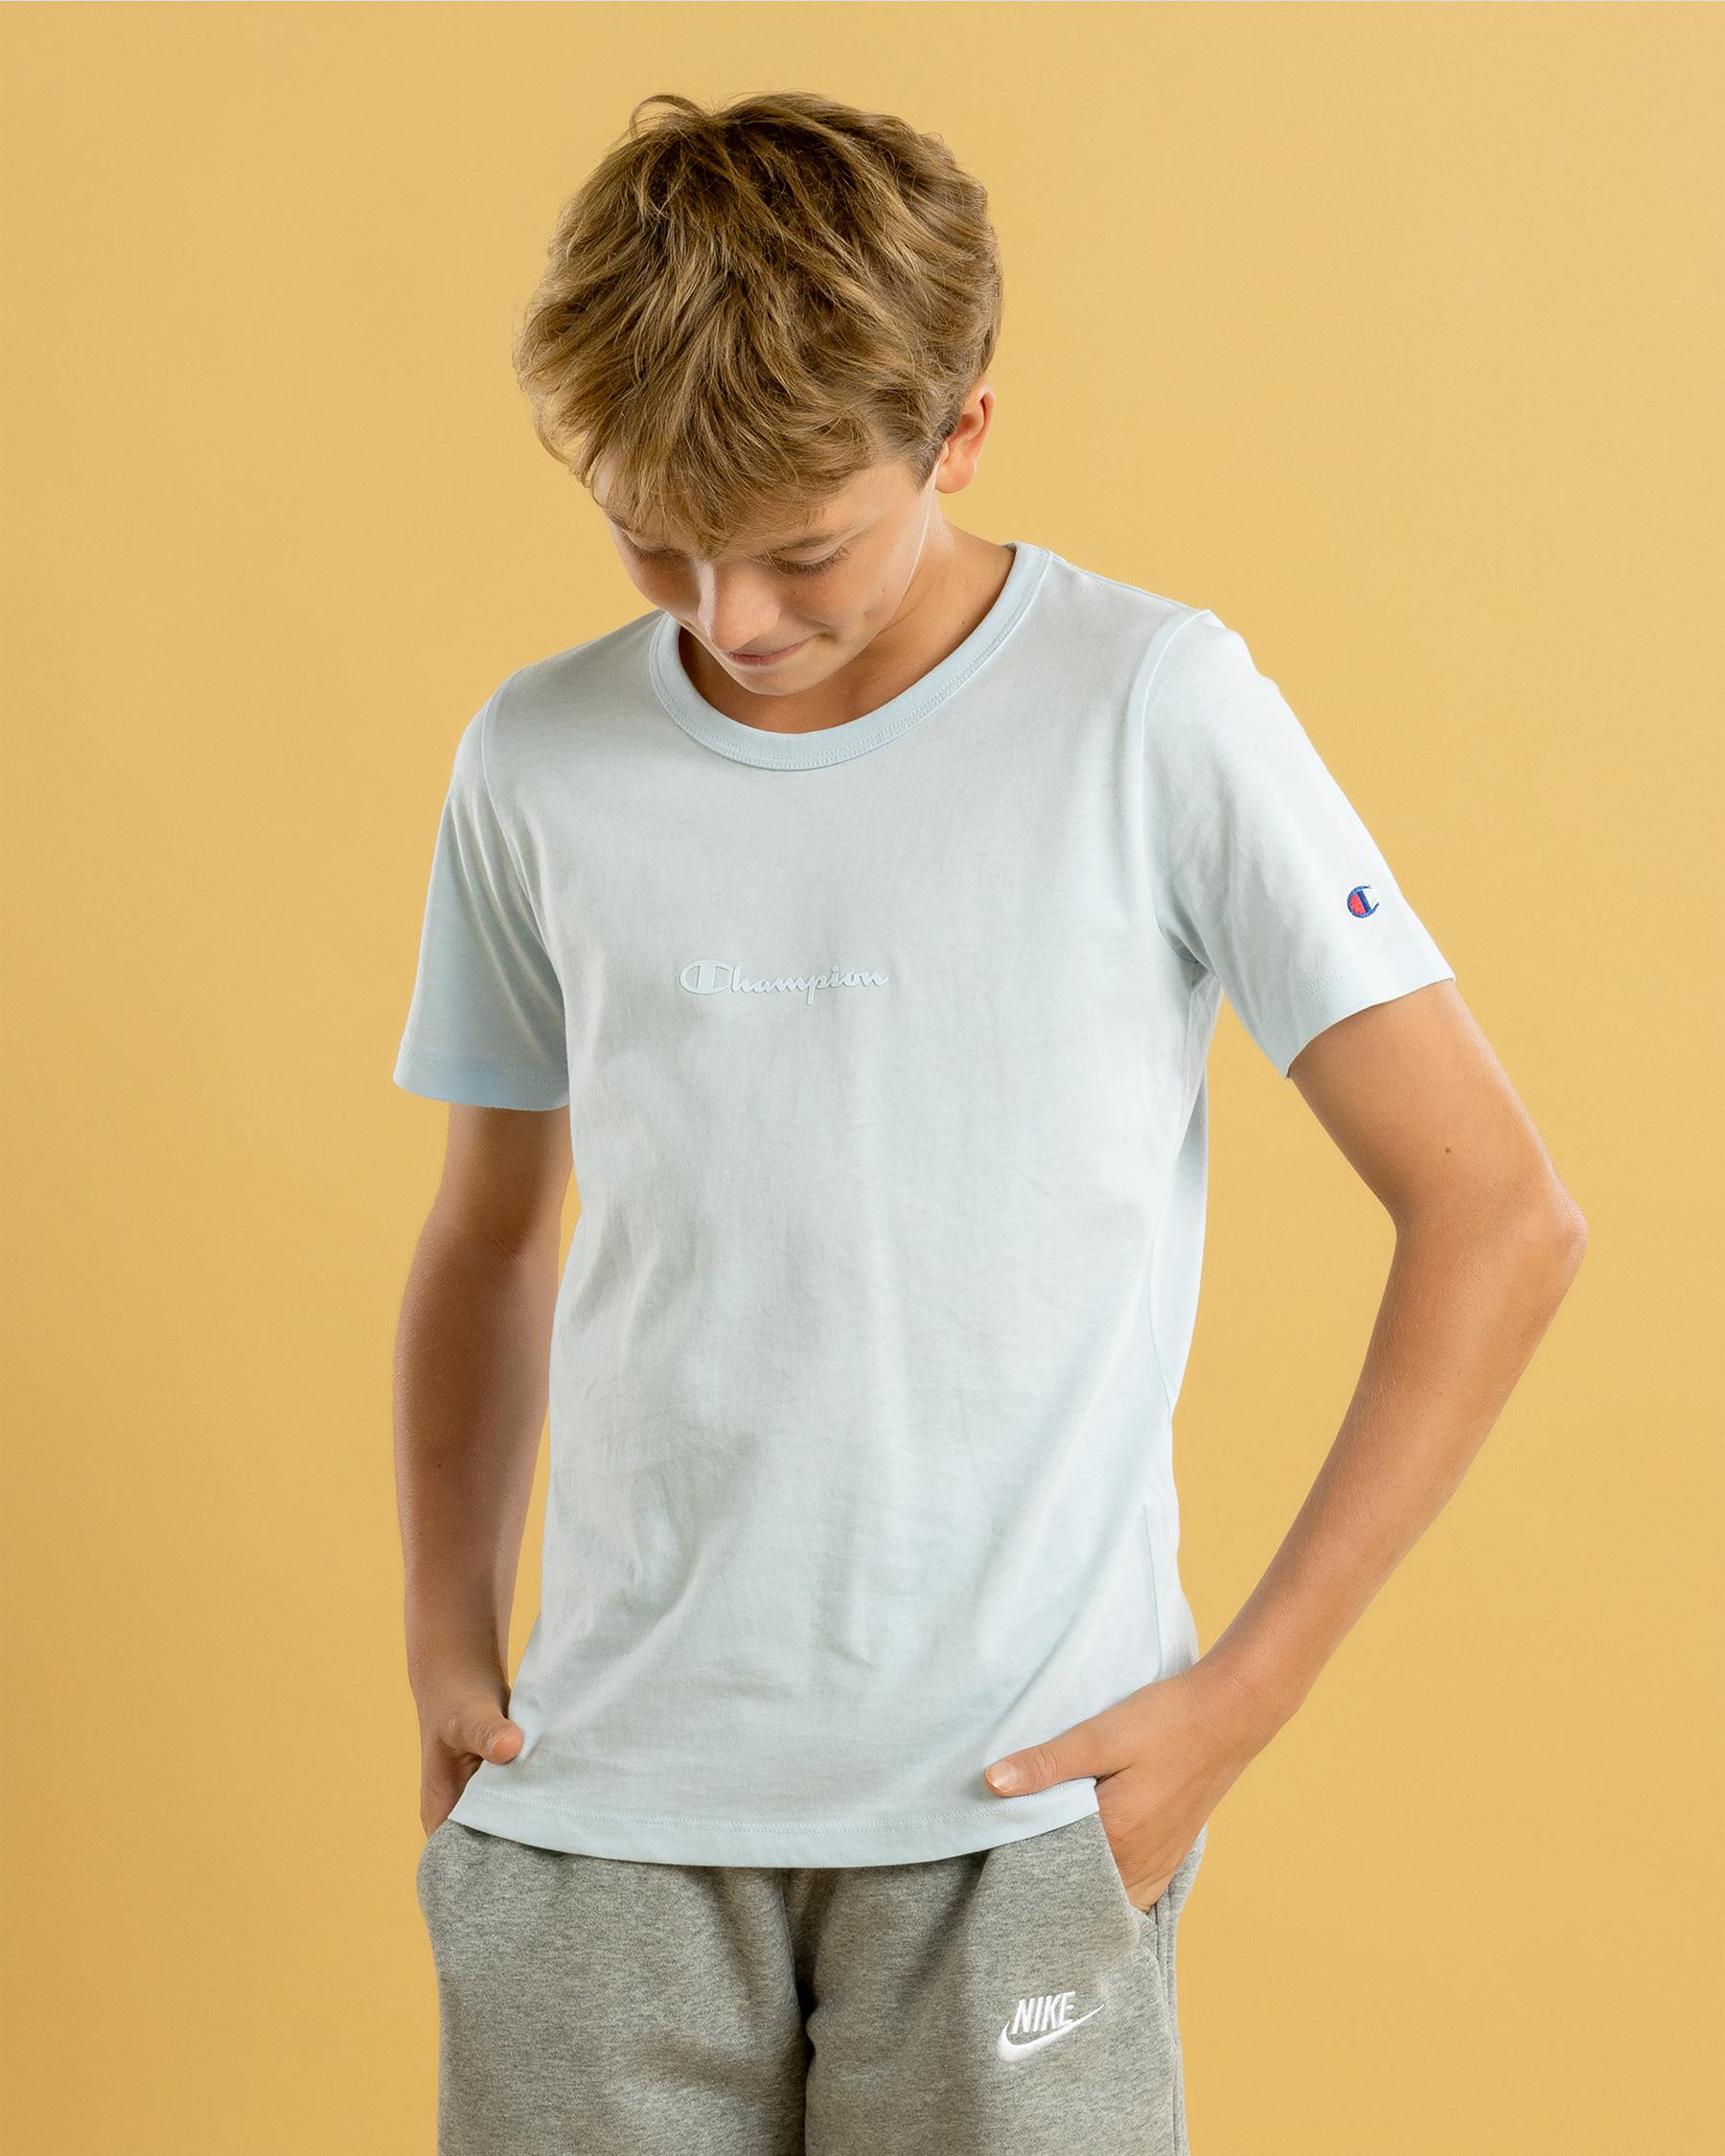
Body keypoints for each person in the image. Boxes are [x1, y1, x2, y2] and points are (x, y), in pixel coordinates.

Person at [390, 89, 1586, 2156]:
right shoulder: (538, 758)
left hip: (1023, 1810)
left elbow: (1499, 1213)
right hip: (600, 1812)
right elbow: (491, 1230)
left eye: (803, 549)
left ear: (960, 435)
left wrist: (1241, 1702)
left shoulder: (1151, 707)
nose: (728, 618)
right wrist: (440, 1639)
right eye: (654, 537)